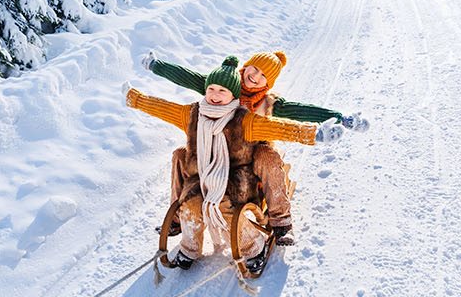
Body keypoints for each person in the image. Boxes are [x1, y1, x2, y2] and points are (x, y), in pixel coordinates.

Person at [126, 56, 346, 274]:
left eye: (263, 76)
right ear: (245, 67)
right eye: (254, 69)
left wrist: (327, 126)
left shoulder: (258, 109)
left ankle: (279, 223)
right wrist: (152, 71)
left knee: (265, 159)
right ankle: (182, 225)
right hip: (210, 161)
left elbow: (287, 122)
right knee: (181, 158)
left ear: (268, 83)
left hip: (247, 159)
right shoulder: (216, 92)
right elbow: (176, 88)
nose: (255, 77)